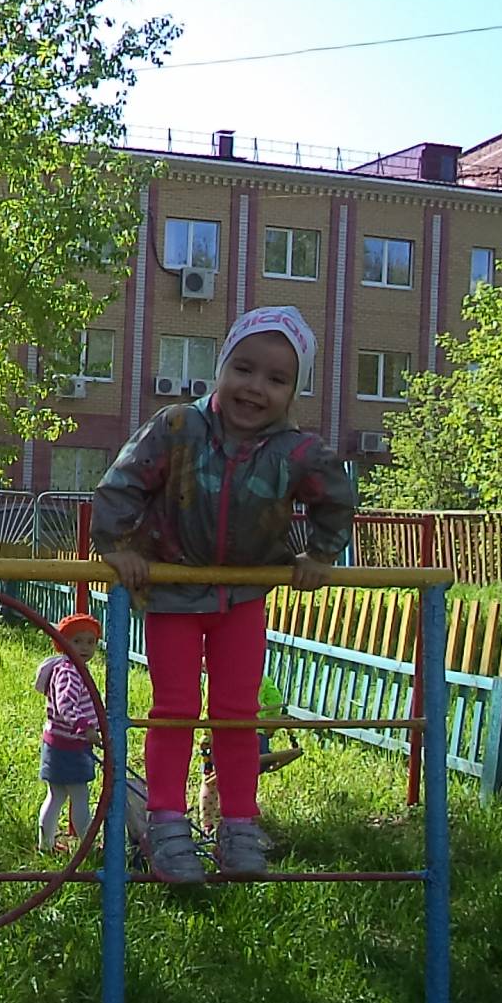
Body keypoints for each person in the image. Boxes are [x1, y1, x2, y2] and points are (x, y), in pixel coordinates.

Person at [91, 305, 353, 882]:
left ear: (293, 391)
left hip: (243, 595)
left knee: (237, 714)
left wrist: (319, 555)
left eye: (276, 378)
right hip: (174, 589)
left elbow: (337, 495)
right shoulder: (178, 428)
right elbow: (122, 482)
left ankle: (238, 825)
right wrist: (118, 545)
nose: (255, 387)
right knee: (175, 708)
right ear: (221, 367)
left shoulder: (295, 452)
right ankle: (166, 824)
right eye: (244, 368)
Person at [34, 612, 104, 854]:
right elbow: (65, 705)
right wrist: (85, 727)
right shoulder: (69, 672)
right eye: (77, 641)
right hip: (70, 745)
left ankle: (46, 844)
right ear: (63, 643)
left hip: (57, 743)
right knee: (79, 797)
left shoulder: (70, 668)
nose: (84, 647)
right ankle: (87, 846)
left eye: (90, 642)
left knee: (56, 796)